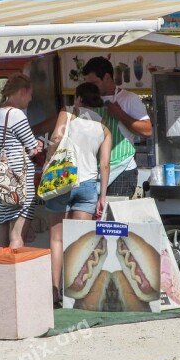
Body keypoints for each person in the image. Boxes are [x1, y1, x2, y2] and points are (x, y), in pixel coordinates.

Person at [45, 82, 111, 306]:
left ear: (79, 99)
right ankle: (76, 296)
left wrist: (47, 163)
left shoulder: (68, 112)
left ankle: (54, 293)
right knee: (79, 241)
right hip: (88, 186)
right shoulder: (104, 128)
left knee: (56, 239)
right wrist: (102, 195)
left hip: (62, 181)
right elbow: (105, 165)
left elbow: (55, 138)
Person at [82, 56, 152, 197]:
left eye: (94, 83)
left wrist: (120, 114)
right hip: (95, 170)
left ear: (107, 77)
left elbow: (147, 130)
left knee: (113, 216)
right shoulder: (88, 100)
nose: (90, 88)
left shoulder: (129, 99)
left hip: (122, 171)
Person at [0, 73, 44, 249]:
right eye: (30, 95)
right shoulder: (16, 115)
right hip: (19, 183)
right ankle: (15, 275)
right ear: (23, 91)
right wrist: (40, 144)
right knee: (17, 237)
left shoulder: (0, 113)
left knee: (2, 238)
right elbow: (32, 148)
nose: (30, 99)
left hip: (4, 181)